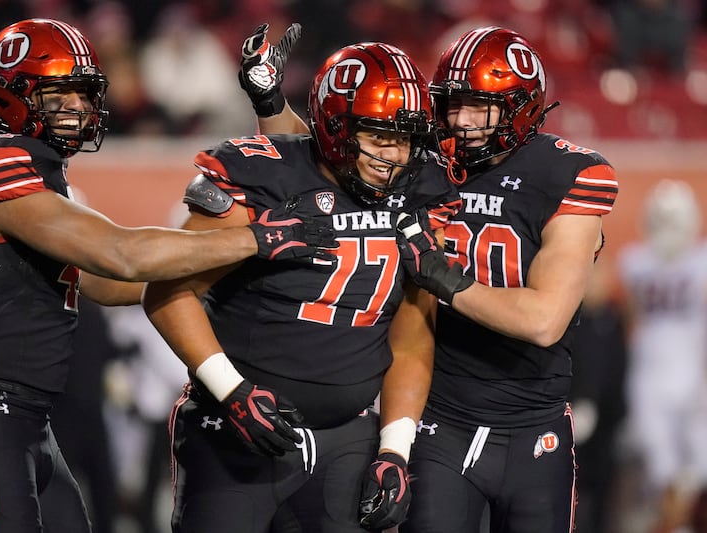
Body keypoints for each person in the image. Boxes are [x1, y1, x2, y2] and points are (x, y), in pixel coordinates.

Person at [0, 18, 337, 533]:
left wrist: (228, 261)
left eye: (82, 94)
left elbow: (111, 285)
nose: (77, 108)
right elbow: (120, 254)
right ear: (10, 94)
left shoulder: (38, 171)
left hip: (27, 415)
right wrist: (257, 239)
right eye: (58, 94)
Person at [247, 24, 619, 533]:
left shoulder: (567, 175)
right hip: (438, 418)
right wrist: (270, 102)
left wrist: (444, 279)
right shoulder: (427, 161)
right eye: (452, 104)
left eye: (479, 107)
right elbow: (329, 156)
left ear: (521, 107)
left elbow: (545, 321)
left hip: (534, 423)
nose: (461, 122)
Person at [142, 38, 462, 532]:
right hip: (238, 429)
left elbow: (412, 334)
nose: (394, 154)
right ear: (336, 127)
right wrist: (233, 392)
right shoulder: (266, 174)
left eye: (405, 138)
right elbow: (165, 291)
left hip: (348, 439)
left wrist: (395, 449)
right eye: (379, 136)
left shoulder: (421, 193)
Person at [616, 179, 707, 533]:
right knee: (660, 469)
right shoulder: (634, 262)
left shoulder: (699, 260)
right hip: (651, 373)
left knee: (697, 469)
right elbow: (631, 318)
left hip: (689, 372)